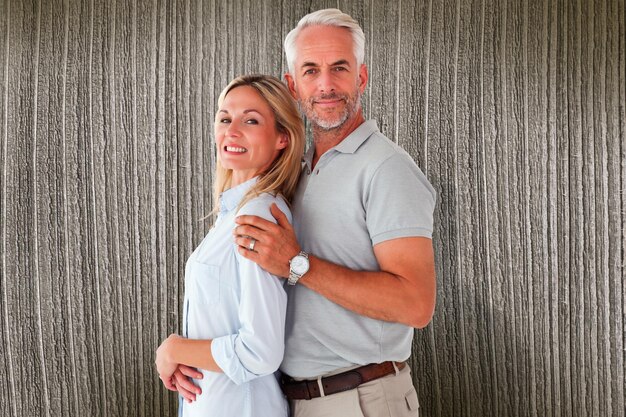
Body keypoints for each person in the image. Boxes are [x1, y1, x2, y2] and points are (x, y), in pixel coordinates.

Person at [232, 9, 437, 417]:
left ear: (361, 77)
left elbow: (417, 304)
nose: (325, 85)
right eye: (310, 71)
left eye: (339, 68)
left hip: (362, 401)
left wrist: (296, 263)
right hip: (296, 400)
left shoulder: (386, 167)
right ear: (293, 85)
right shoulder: (298, 171)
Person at [155, 74, 305, 417]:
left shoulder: (256, 218)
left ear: (282, 137)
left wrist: (175, 349)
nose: (231, 131)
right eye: (225, 118)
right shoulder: (235, 214)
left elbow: (260, 351)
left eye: (250, 120)